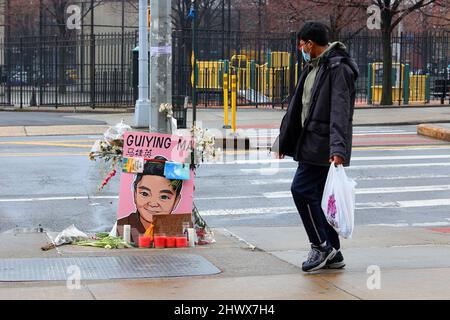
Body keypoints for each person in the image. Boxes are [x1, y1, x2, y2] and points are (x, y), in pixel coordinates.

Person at [273, 22, 359, 272]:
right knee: (320, 198)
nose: (299, 47)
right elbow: (298, 108)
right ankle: (334, 252)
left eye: (301, 43)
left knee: (300, 189)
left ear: (311, 43)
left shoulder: (337, 68)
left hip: (322, 145)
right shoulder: (314, 67)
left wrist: (338, 149)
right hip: (310, 142)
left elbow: (340, 111)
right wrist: (283, 140)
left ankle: (320, 245)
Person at [118, 156, 183, 243]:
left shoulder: (182, 231)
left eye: (164, 197)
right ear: (135, 194)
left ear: (176, 201)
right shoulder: (122, 226)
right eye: (145, 194)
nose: (153, 204)